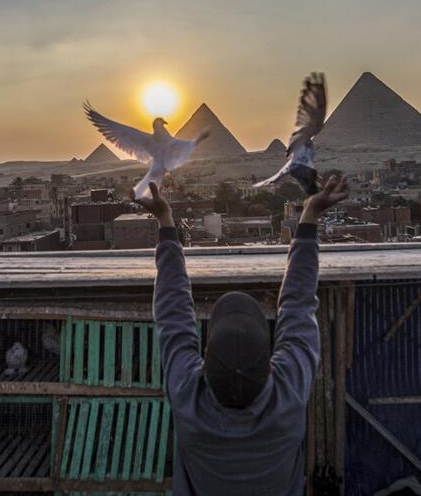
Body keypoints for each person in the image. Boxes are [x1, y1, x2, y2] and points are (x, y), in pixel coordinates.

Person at [134, 175, 350, 496]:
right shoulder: (287, 395)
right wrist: (309, 216)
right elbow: (300, 303)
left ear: (205, 359)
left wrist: (165, 219)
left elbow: (173, 309)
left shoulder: (188, 396)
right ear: (269, 358)